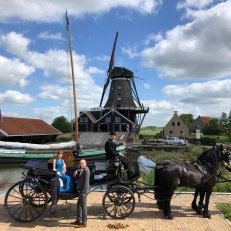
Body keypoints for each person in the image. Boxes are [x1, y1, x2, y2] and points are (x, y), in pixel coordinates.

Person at [71, 159, 90, 228]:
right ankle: (79, 220)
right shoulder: (83, 169)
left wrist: (82, 191)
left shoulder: (86, 171)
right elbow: (80, 170)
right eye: (80, 163)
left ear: (86, 163)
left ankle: (84, 222)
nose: (81, 165)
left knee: (83, 206)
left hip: (83, 191)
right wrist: (76, 171)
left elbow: (86, 182)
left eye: (82, 163)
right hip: (82, 191)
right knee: (78, 204)